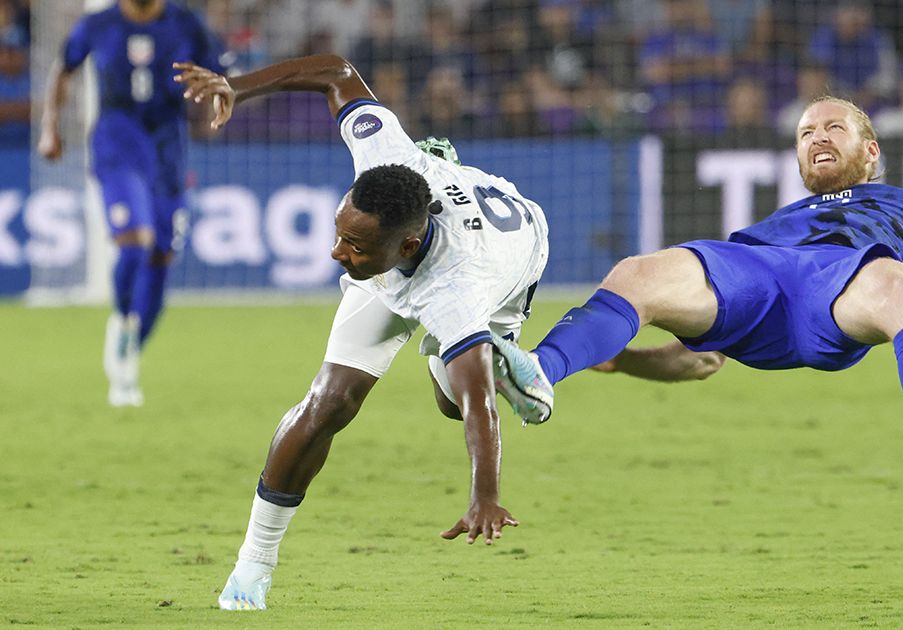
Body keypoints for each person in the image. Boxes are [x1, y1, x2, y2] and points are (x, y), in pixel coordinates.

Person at [491, 96, 903, 518]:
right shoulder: (773, 222)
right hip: (757, 278)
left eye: (834, 127)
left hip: (839, 294)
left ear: (869, 151)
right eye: (806, 131)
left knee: (898, 282)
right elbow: (699, 361)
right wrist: (627, 360)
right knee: (638, 272)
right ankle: (539, 373)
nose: (817, 135)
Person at [173, 53, 549, 610]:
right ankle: (252, 567)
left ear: (406, 245)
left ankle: (499, 357)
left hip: (506, 261)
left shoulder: (457, 289)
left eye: (353, 245)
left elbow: (478, 409)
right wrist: (237, 86)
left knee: (454, 399)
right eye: (338, 233)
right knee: (327, 402)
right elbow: (336, 71)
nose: (335, 252)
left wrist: (485, 496)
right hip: (404, 261)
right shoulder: (383, 155)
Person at [37, 0, 225, 407]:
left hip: (168, 148)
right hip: (116, 144)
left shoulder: (185, 23)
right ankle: (122, 322)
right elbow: (63, 69)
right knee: (135, 243)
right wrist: (50, 126)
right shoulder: (98, 24)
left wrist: (215, 101)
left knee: (160, 255)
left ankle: (130, 348)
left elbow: (219, 74)